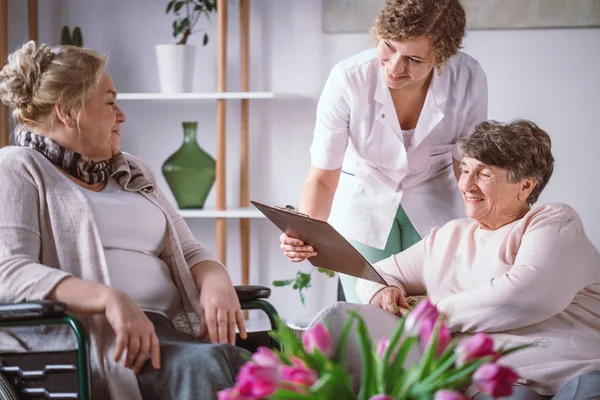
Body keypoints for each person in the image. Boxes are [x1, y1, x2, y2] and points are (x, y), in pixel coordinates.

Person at [0, 41, 249, 400]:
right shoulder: (19, 168)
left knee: (269, 363)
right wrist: (109, 299)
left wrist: (216, 280)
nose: (122, 115)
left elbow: (190, 250)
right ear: (68, 112)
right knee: (214, 367)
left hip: (171, 336)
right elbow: (8, 271)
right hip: (101, 343)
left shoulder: (131, 170)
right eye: (110, 102)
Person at [314, 120, 600, 399]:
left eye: (484, 174)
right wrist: (382, 289)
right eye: (465, 170)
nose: (467, 184)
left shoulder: (552, 221)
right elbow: (373, 273)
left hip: (574, 371)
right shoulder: (450, 237)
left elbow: (523, 296)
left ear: (525, 186)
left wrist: (427, 315)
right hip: (501, 382)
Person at [279, 0, 488, 303]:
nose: (394, 66)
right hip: (364, 205)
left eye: (414, 60)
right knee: (371, 320)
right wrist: (304, 234)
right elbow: (323, 177)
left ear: (442, 58)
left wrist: (488, 232)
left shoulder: (468, 78)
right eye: (389, 46)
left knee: (434, 319)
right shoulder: (348, 79)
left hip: (436, 203)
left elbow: (468, 166)